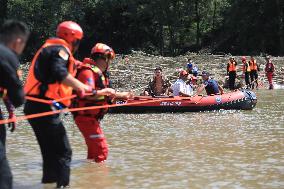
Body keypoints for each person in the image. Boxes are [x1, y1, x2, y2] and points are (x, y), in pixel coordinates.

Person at [24, 21, 91, 188]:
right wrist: (80, 86)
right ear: (73, 39)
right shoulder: (60, 50)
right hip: (44, 107)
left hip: (33, 106)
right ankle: (62, 186)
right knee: (64, 152)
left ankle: (49, 183)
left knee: (49, 154)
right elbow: (59, 72)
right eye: (78, 42)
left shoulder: (50, 48)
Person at [73, 43, 133, 163]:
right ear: (102, 58)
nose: (109, 63)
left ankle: (89, 175)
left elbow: (105, 98)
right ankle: (99, 180)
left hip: (92, 119)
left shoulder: (99, 74)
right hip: (85, 118)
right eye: (109, 60)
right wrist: (107, 92)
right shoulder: (88, 72)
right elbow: (88, 93)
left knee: (94, 153)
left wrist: (122, 95)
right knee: (102, 151)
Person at [0, 19, 29, 189]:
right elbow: (18, 97)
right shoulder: (6, 54)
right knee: (4, 176)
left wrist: (10, 112)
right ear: (18, 41)